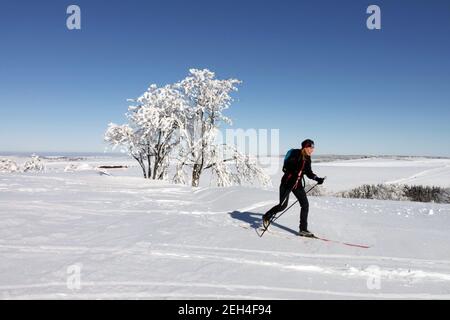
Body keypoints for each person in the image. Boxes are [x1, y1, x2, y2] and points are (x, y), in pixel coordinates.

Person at [263, 139, 325, 237]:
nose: (312, 150)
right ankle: (267, 216)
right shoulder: (296, 154)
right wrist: (296, 171)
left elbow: (308, 172)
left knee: (305, 205)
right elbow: (286, 168)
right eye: (311, 147)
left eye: (313, 148)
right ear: (305, 147)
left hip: (297, 185)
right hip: (287, 183)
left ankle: (303, 229)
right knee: (282, 206)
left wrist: (317, 178)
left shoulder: (308, 158)